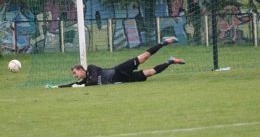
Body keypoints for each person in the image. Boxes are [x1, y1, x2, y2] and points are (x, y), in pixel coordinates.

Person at [45, 36, 185, 88]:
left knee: (144, 57)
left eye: (76, 73)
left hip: (119, 69)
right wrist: (57, 87)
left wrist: (81, 86)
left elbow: (92, 82)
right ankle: (170, 62)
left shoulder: (92, 69)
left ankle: (164, 42)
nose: (75, 76)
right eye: (75, 75)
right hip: (123, 79)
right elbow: (73, 84)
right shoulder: (85, 82)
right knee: (150, 72)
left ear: (81, 69)